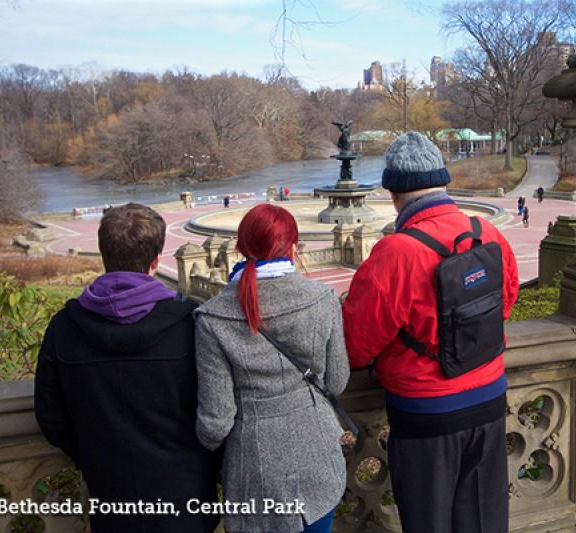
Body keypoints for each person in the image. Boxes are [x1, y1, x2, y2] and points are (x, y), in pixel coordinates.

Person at [342, 132, 519, 533]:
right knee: (484, 523)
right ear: (442, 183)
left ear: (394, 192)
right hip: (490, 398)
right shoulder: (487, 233)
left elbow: (356, 345)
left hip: (427, 415)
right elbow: (505, 301)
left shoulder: (396, 253)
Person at [34, 203, 220, 533]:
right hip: (186, 495)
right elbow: (216, 409)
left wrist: (94, 455)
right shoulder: (191, 324)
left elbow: (51, 416)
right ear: (156, 259)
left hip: (111, 497)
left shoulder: (64, 328)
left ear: (105, 255)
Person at [194, 203, 349, 533]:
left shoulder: (212, 317)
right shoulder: (323, 298)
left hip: (255, 469)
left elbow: (216, 421)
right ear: (293, 247)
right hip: (318, 459)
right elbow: (336, 381)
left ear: (241, 247)